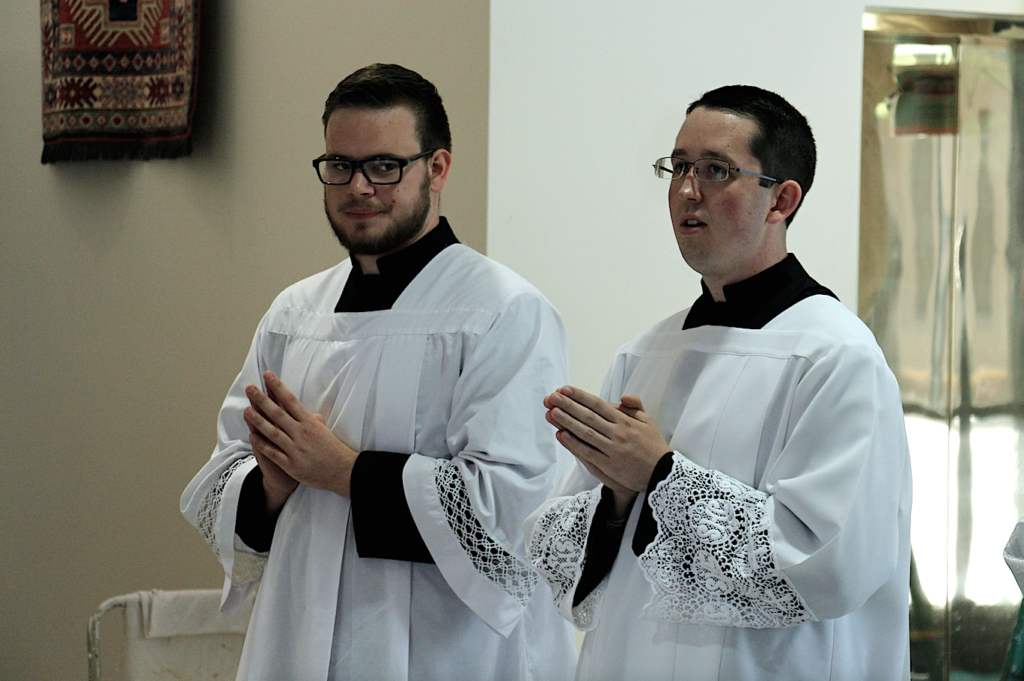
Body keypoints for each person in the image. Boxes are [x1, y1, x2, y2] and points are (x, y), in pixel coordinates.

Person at [181, 64, 576, 681]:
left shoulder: (503, 310)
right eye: (339, 165)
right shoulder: (295, 313)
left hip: (446, 648)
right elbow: (226, 470)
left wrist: (345, 473)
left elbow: (512, 506)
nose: (358, 187)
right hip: (299, 629)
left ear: (437, 169)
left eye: (384, 166)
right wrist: (270, 487)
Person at [525, 85, 912, 680]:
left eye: (715, 170)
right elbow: (566, 570)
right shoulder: (646, 353)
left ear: (781, 199)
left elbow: (828, 566)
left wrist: (658, 476)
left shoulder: (836, 356)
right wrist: (619, 498)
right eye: (678, 167)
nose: (686, 190)